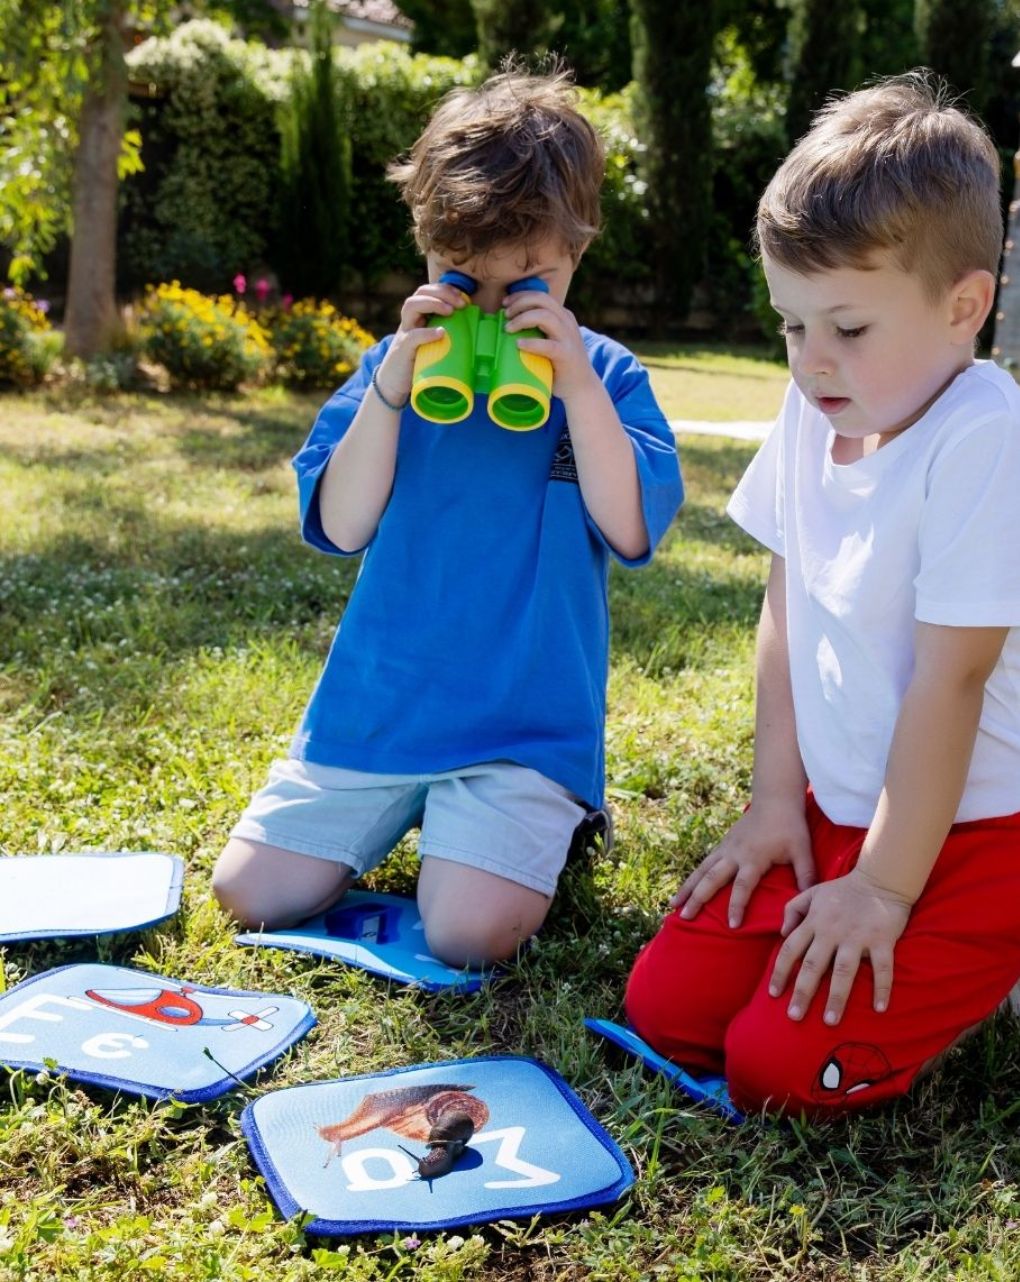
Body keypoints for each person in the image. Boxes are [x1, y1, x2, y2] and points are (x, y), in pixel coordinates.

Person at [212, 69, 683, 968]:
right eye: (463, 279)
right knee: (252, 897)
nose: (495, 308)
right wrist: (392, 386)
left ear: (578, 255)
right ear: (426, 251)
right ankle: (434, 816)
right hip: (381, 709)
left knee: (468, 934)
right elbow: (343, 526)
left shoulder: (607, 377)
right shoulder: (393, 371)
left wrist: (575, 383)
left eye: (528, 284)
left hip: (522, 727)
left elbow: (629, 530)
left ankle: (549, 814)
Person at [625, 72, 1020, 1116]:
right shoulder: (819, 407)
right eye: (791, 326)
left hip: (977, 836)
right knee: (664, 1007)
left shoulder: (985, 435)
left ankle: (993, 953)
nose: (810, 362)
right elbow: (785, 612)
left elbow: (954, 680)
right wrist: (770, 807)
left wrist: (886, 890)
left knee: (775, 1072)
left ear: (963, 306)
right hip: (835, 808)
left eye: (845, 326)